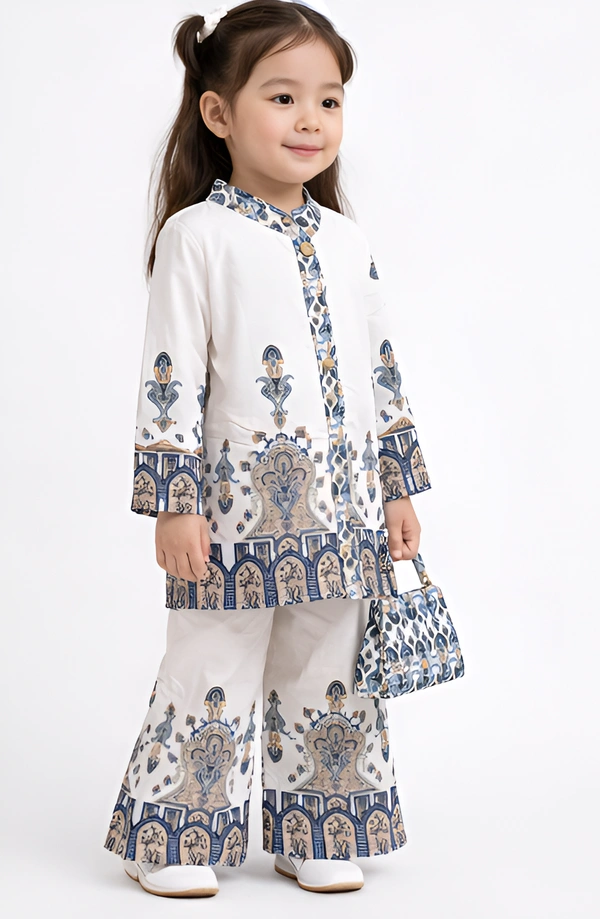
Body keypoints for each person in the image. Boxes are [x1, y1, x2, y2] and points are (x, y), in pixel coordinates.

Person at [103, 0, 435, 897]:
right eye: (283, 97)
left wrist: (398, 490)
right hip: (231, 512)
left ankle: (317, 827)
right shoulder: (197, 237)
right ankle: (171, 835)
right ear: (219, 113)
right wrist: (173, 502)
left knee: (333, 668)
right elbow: (169, 377)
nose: (309, 120)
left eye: (328, 101)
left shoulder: (347, 240)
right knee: (210, 661)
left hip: (347, 508)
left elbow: (381, 371)